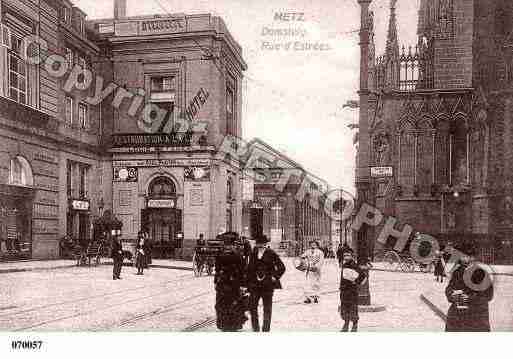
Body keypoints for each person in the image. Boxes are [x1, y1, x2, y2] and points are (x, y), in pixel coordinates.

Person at [445, 244, 494, 332]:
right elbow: (449, 288)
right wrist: (451, 295)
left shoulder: (481, 273)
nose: (461, 258)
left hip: (476, 315)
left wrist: (470, 298)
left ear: (472, 257)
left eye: (463, 256)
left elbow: (488, 295)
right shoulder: (457, 271)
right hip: (457, 315)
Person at [247, 235, 286, 332]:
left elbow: (282, 267)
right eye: (258, 244)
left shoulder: (271, 253)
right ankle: (255, 329)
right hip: (255, 285)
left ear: (266, 244)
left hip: (267, 285)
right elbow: (249, 269)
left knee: (267, 308)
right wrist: (247, 283)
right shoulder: (253, 253)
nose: (260, 246)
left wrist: (274, 277)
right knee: (252, 307)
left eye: (262, 244)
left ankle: (266, 329)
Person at [214, 232, 247, 332]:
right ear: (234, 242)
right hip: (234, 282)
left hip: (223, 281)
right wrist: (243, 284)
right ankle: (234, 324)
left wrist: (216, 281)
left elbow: (217, 268)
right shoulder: (237, 253)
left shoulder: (220, 252)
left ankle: (223, 324)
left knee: (222, 303)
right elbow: (242, 269)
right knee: (234, 302)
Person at [339, 247, 366, 332]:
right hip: (344, 290)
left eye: (348, 255)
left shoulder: (355, 265)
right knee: (344, 308)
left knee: (353, 308)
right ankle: (346, 324)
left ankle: (355, 325)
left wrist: (356, 282)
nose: (346, 257)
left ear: (352, 256)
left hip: (352, 291)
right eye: (345, 255)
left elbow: (363, 277)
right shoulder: (344, 265)